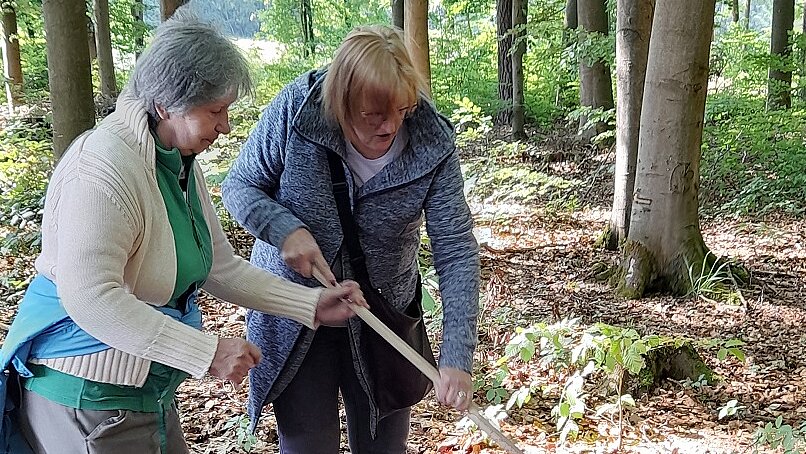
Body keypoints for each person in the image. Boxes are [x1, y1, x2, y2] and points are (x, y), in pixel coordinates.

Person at [0, 11, 366, 454]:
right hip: (89, 398)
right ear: (165, 104)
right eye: (215, 111)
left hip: (148, 390)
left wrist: (308, 302)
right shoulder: (100, 171)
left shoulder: (174, 161)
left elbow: (219, 266)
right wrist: (206, 353)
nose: (225, 126)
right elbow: (91, 298)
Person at [221, 24, 480, 452]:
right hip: (297, 311)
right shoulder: (297, 111)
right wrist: (284, 230)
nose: (390, 127)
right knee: (308, 444)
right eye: (372, 115)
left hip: (384, 318)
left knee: (384, 445)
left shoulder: (432, 144)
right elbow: (240, 186)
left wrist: (457, 356)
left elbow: (455, 251)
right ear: (342, 103)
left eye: (400, 110)